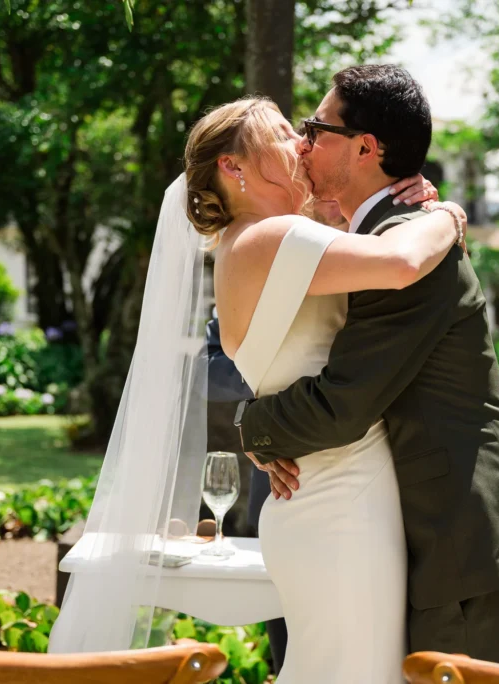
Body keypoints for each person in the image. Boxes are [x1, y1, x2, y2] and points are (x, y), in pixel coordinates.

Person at [234, 64, 499, 675]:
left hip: (468, 544)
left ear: (366, 146)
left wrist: (253, 426)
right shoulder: (386, 237)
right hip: (438, 547)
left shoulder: (408, 245)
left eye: (317, 128)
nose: (304, 144)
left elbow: (345, 403)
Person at [203, 189, 430, 675]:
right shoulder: (275, 236)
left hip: (352, 489)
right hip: (314, 489)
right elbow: (220, 360)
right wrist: (448, 217)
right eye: (292, 138)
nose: (302, 145)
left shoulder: (343, 234)